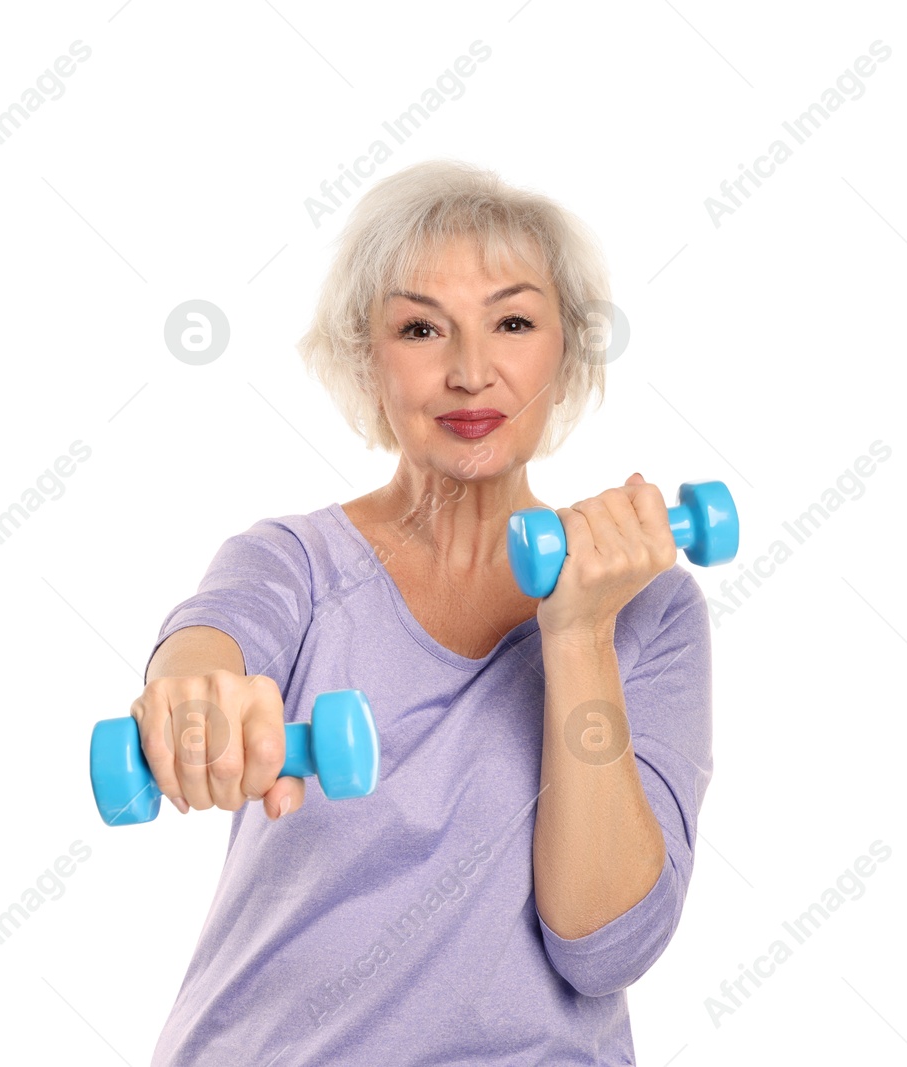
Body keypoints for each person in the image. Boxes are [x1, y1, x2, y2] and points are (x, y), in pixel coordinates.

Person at [137, 159, 713, 1064]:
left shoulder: (652, 608)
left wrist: (578, 631)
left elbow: (602, 943)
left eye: (513, 322)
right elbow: (208, 645)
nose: (471, 371)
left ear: (567, 358)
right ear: (368, 365)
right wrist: (197, 700)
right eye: (420, 329)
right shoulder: (292, 562)